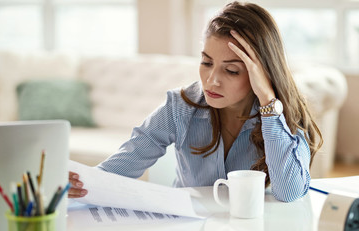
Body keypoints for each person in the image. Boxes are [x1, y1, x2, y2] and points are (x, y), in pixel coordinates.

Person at [69, 1, 322, 202]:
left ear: (262, 73)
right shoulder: (180, 106)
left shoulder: (281, 113)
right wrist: (83, 182)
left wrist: (267, 103)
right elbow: (127, 161)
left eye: (231, 71)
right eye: (206, 62)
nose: (211, 81)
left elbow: (289, 193)